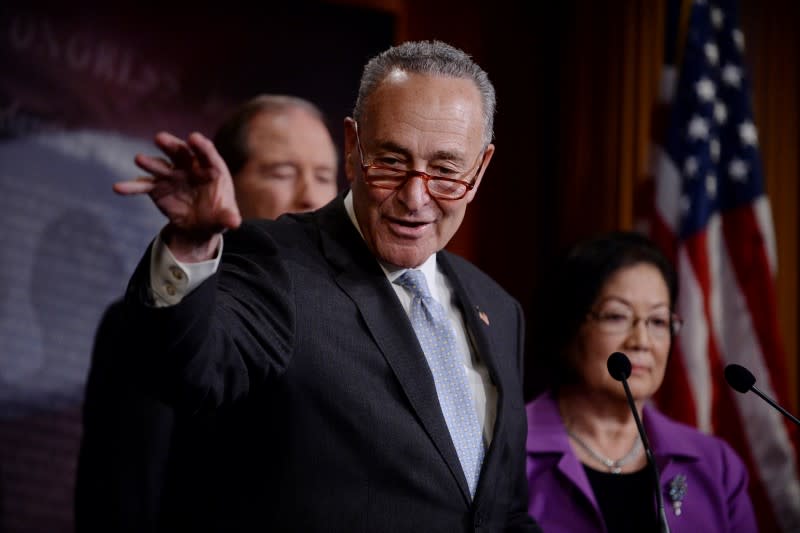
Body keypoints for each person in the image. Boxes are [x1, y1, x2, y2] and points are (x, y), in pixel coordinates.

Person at [112, 40, 540, 532]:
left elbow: (499, 509)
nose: (416, 197)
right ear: (354, 147)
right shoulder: (279, 263)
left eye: (445, 171)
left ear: (480, 168)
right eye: (392, 162)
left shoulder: (499, 310)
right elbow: (186, 369)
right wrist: (191, 244)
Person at [75, 94, 339, 533]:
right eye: (282, 172)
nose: (310, 195)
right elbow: (124, 498)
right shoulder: (150, 325)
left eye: (326, 177)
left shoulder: (354, 324)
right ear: (225, 184)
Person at [524, 231, 758, 532]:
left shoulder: (715, 465)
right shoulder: (509, 450)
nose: (642, 341)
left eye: (658, 321)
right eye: (616, 316)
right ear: (568, 327)